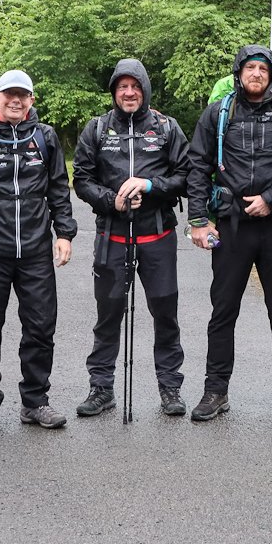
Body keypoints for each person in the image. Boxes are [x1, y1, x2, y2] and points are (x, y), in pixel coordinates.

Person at [186, 45, 272, 421]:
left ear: (271, 75)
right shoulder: (218, 113)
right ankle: (215, 391)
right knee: (223, 312)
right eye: (250, 68)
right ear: (238, 73)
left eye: (263, 68)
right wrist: (198, 220)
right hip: (232, 226)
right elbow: (197, 164)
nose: (256, 73)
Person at [0, 70, 76, 434]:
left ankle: (35, 402)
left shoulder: (45, 137)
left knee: (40, 327)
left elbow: (58, 188)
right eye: (9, 94)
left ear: (32, 100)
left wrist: (64, 233)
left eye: (23, 95)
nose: (16, 100)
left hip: (35, 251)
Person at [73, 59, 192, 417]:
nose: (129, 93)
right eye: (122, 87)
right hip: (112, 236)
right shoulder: (97, 129)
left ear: (145, 90)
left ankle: (170, 387)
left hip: (157, 235)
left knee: (165, 314)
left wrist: (150, 185)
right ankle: (101, 388)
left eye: (135, 86)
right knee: (108, 315)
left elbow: (187, 176)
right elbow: (82, 180)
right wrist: (112, 200)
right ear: (114, 91)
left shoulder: (167, 128)